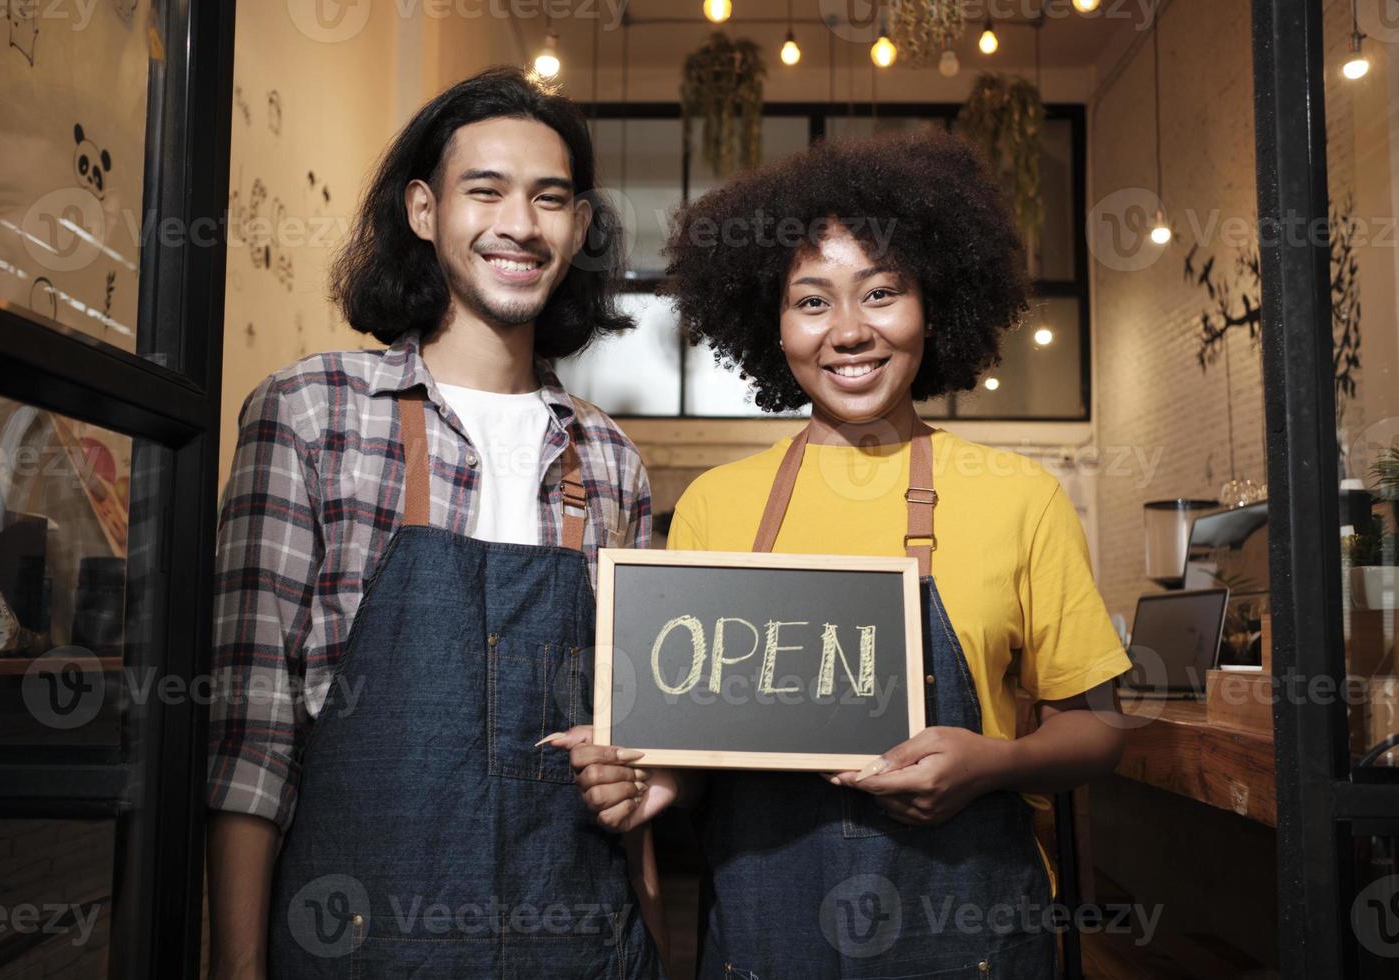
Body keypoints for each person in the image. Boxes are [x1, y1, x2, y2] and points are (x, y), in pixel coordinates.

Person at [562, 131, 1131, 978]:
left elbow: (1100, 728)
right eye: (813, 301)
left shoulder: (1021, 497)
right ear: (774, 324)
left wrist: (995, 765)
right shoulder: (718, 508)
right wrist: (655, 784)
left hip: (969, 936)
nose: (851, 331)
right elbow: (691, 742)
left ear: (933, 306)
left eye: (882, 293)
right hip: (764, 937)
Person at [206, 67, 664, 979]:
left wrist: (641, 783)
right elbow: (251, 735)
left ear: (577, 228)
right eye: (484, 191)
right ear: (424, 210)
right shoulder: (313, 414)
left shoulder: (608, 459)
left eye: (551, 198)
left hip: (574, 942)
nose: (521, 225)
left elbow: (638, 734)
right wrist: (237, 964)